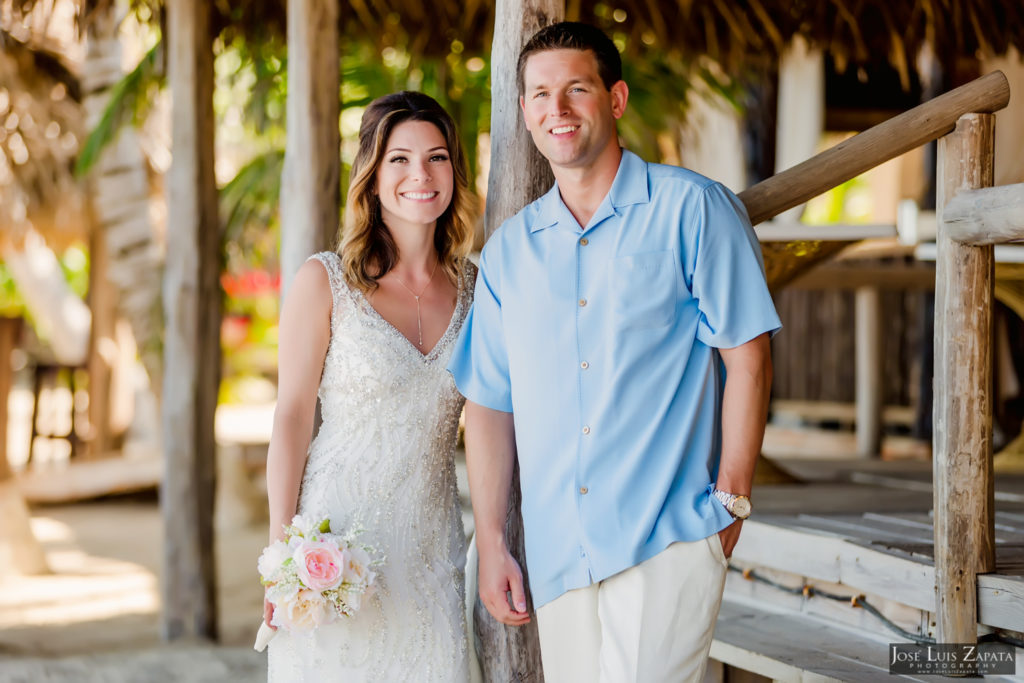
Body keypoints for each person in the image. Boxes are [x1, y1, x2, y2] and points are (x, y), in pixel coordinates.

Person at [448, 22, 781, 682]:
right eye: (541, 94)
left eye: (577, 88)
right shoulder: (511, 251)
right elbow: (488, 399)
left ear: (617, 98)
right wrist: (491, 539)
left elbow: (748, 356)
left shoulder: (693, 210)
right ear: (524, 111)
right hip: (557, 552)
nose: (558, 110)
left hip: (667, 539)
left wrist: (732, 499)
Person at [264, 91, 477, 682]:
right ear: (373, 176)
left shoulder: (477, 289)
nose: (421, 175)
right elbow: (290, 417)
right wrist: (283, 555)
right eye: (399, 160)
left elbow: (490, 420)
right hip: (336, 546)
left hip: (432, 555)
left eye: (437, 158)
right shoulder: (324, 280)